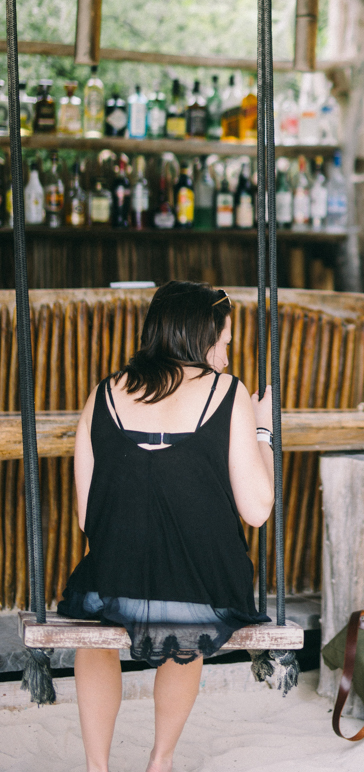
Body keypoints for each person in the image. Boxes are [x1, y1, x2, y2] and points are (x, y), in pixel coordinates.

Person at [58, 281, 276, 772]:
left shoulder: (104, 393)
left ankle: (97, 767)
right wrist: (264, 429)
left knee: (96, 626)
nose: (225, 354)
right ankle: (161, 760)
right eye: (223, 341)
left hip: (114, 577)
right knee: (191, 617)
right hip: (203, 581)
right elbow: (258, 510)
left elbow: (85, 516)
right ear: (201, 337)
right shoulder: (229, 392)